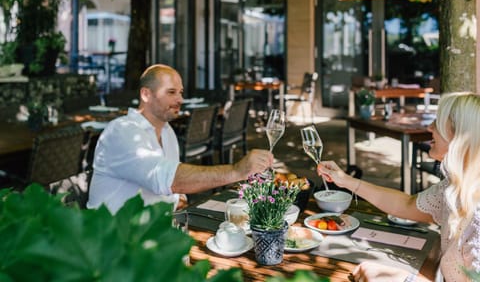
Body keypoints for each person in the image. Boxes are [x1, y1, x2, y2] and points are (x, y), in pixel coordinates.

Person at [317, 92, 480, 282]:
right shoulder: (456, 187)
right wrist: (345, 180)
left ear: (459, 135)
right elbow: (407, 205)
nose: (429, 127)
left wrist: (403, 279)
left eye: (437, 121)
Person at [87, 64, 273, 214]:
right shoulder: (123, 132)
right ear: (146, 94)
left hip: (152, 233)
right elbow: (168, 179)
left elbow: (170, 186)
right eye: (171, 92)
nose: (180, 99)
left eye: (180, 92)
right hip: (113, 245)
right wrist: (237, 170)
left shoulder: (167, 132)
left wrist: (178, 199)